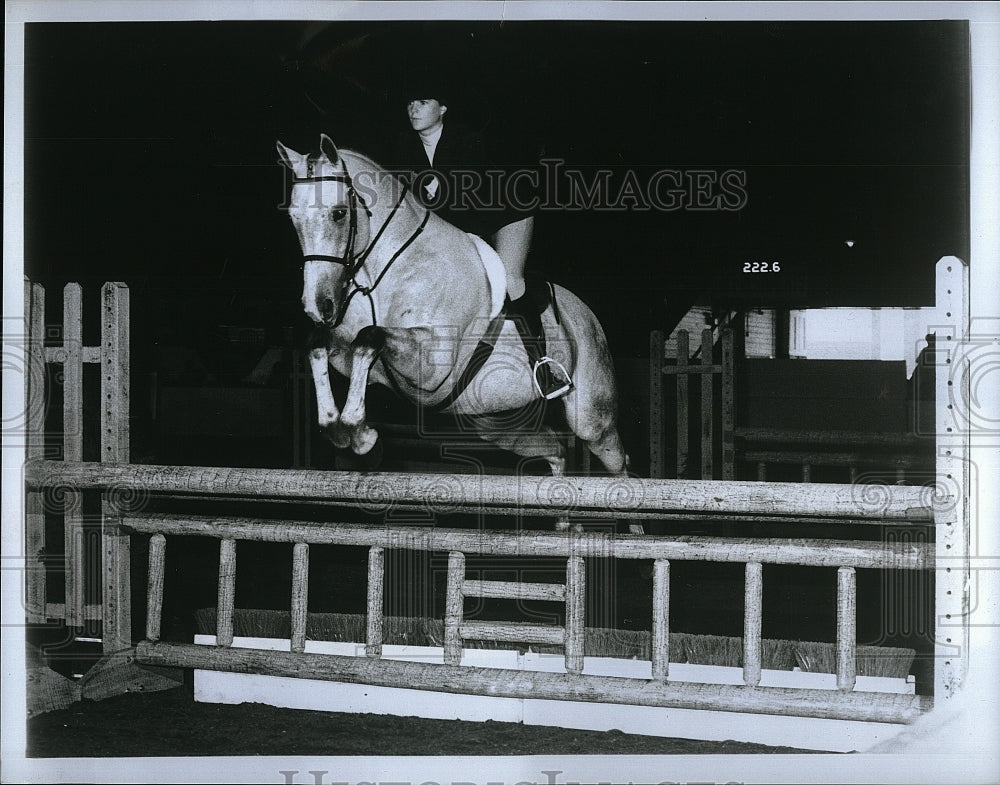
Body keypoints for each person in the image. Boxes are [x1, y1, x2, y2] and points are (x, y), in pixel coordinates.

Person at [390, 86, 572, 399]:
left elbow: (457, 205)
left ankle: (543, 364)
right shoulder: (404, 145)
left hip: (506, 215)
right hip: (461, 223)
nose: (414, 109)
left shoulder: (467, 139)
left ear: (443, 108)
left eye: (423, 102)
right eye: (410, 102)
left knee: (509, 278)